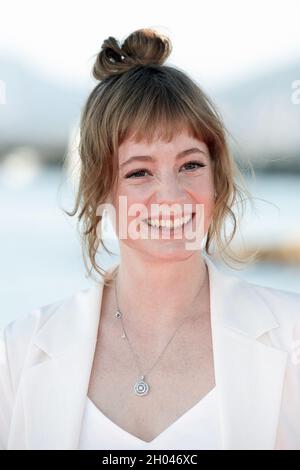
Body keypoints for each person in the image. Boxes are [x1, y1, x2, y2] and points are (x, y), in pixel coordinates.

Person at [1, 28, 300, 451]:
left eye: (191, 165)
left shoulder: (292, 338)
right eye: (139, 172)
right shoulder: (20, 351)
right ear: (100, 189)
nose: (174, 196)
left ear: (218, 179)